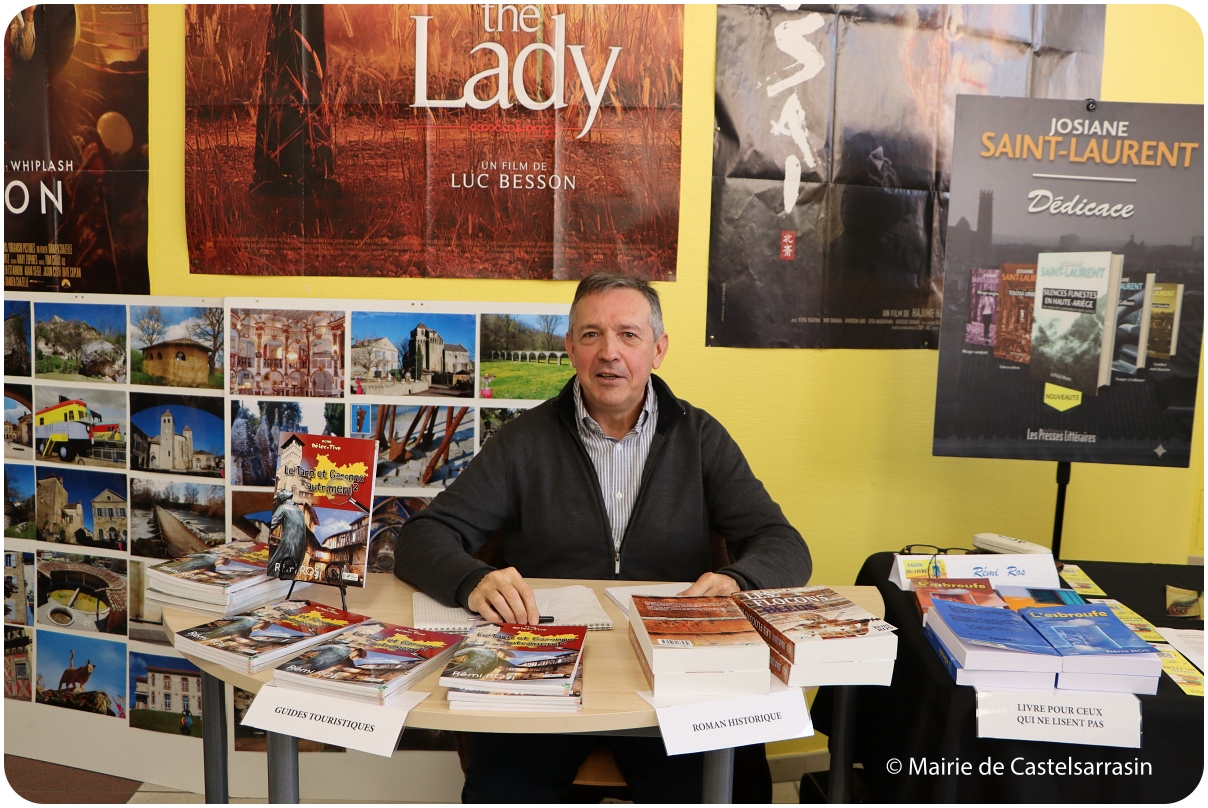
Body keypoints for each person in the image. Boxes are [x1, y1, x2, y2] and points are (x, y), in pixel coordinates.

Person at [395, 271, 811, 803]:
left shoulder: (700, 437)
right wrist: (473, 580)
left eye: (628, 335)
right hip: (540, 668)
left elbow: (784, 542)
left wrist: (737, 579)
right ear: (570, 348)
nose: (609, 352)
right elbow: (422, 537)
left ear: (658, 350)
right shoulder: (523, 440)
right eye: (591, 335)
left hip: (671, 672)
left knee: (733, 788)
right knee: (500, 791)